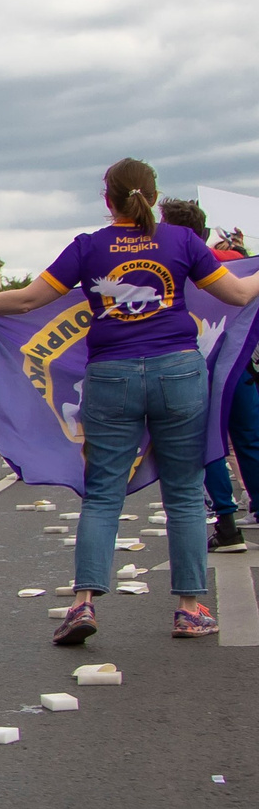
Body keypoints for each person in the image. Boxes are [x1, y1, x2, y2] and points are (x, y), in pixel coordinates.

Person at [0, 158, 259, 643]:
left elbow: (25, 301)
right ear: (153, 193)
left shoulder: (88, 247)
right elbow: (234, 294)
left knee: (103, 493)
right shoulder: (182, 241)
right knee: (186, 494)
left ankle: (82, 603)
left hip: (110, 376)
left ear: (107, 200)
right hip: (179, 373)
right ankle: (190, 609)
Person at [163, 198, 259, 552]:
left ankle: (227, 522)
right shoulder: (234, 264)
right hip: (237, 365)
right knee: (249, 439)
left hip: (192, 368)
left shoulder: (167, 268)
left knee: (207, 444)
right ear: (203, 231)